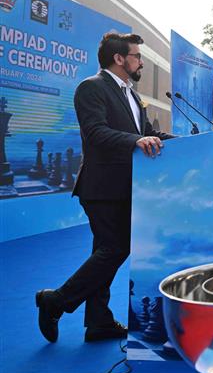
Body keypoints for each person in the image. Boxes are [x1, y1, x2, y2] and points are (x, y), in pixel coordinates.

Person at [35, 33, 175, 344]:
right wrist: (135, 141)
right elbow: (96, 132)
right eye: (137, 56)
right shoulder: (92, 87)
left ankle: (98, 321)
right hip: (101, 187)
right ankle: (55, 300)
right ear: (119, 59)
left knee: (105, 251)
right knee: (115, 248)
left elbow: (148, 133)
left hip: (126, 187)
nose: (140, 62)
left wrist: (188, 142)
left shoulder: (132, 95)